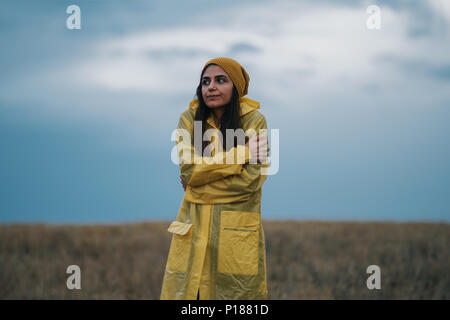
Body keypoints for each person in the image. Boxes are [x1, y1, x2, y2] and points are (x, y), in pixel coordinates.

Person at [160, 57, 270, 300]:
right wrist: (243, 153)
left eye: (221, 80)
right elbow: (189, 170)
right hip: (193, 236)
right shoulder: (189, 120)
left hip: (234, 241)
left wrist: (195, 189)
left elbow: (249, 183)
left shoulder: (254, 121)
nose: (211, 87)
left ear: (237, 87)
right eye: (205, 82)